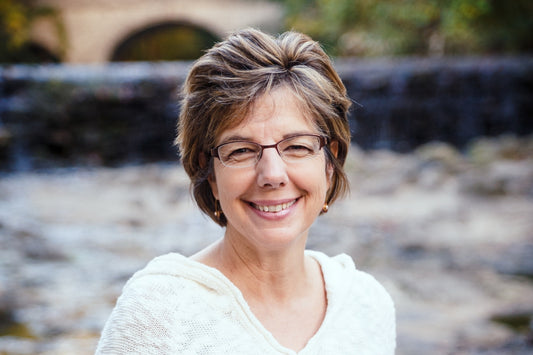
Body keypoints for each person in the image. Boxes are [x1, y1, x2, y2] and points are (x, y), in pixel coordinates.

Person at [96, 28, 395, 354]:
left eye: (296, 146)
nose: (272, 175)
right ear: (208, 171)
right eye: (241, 151)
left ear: (330, 160)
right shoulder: (159, 314)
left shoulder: (367, 305)